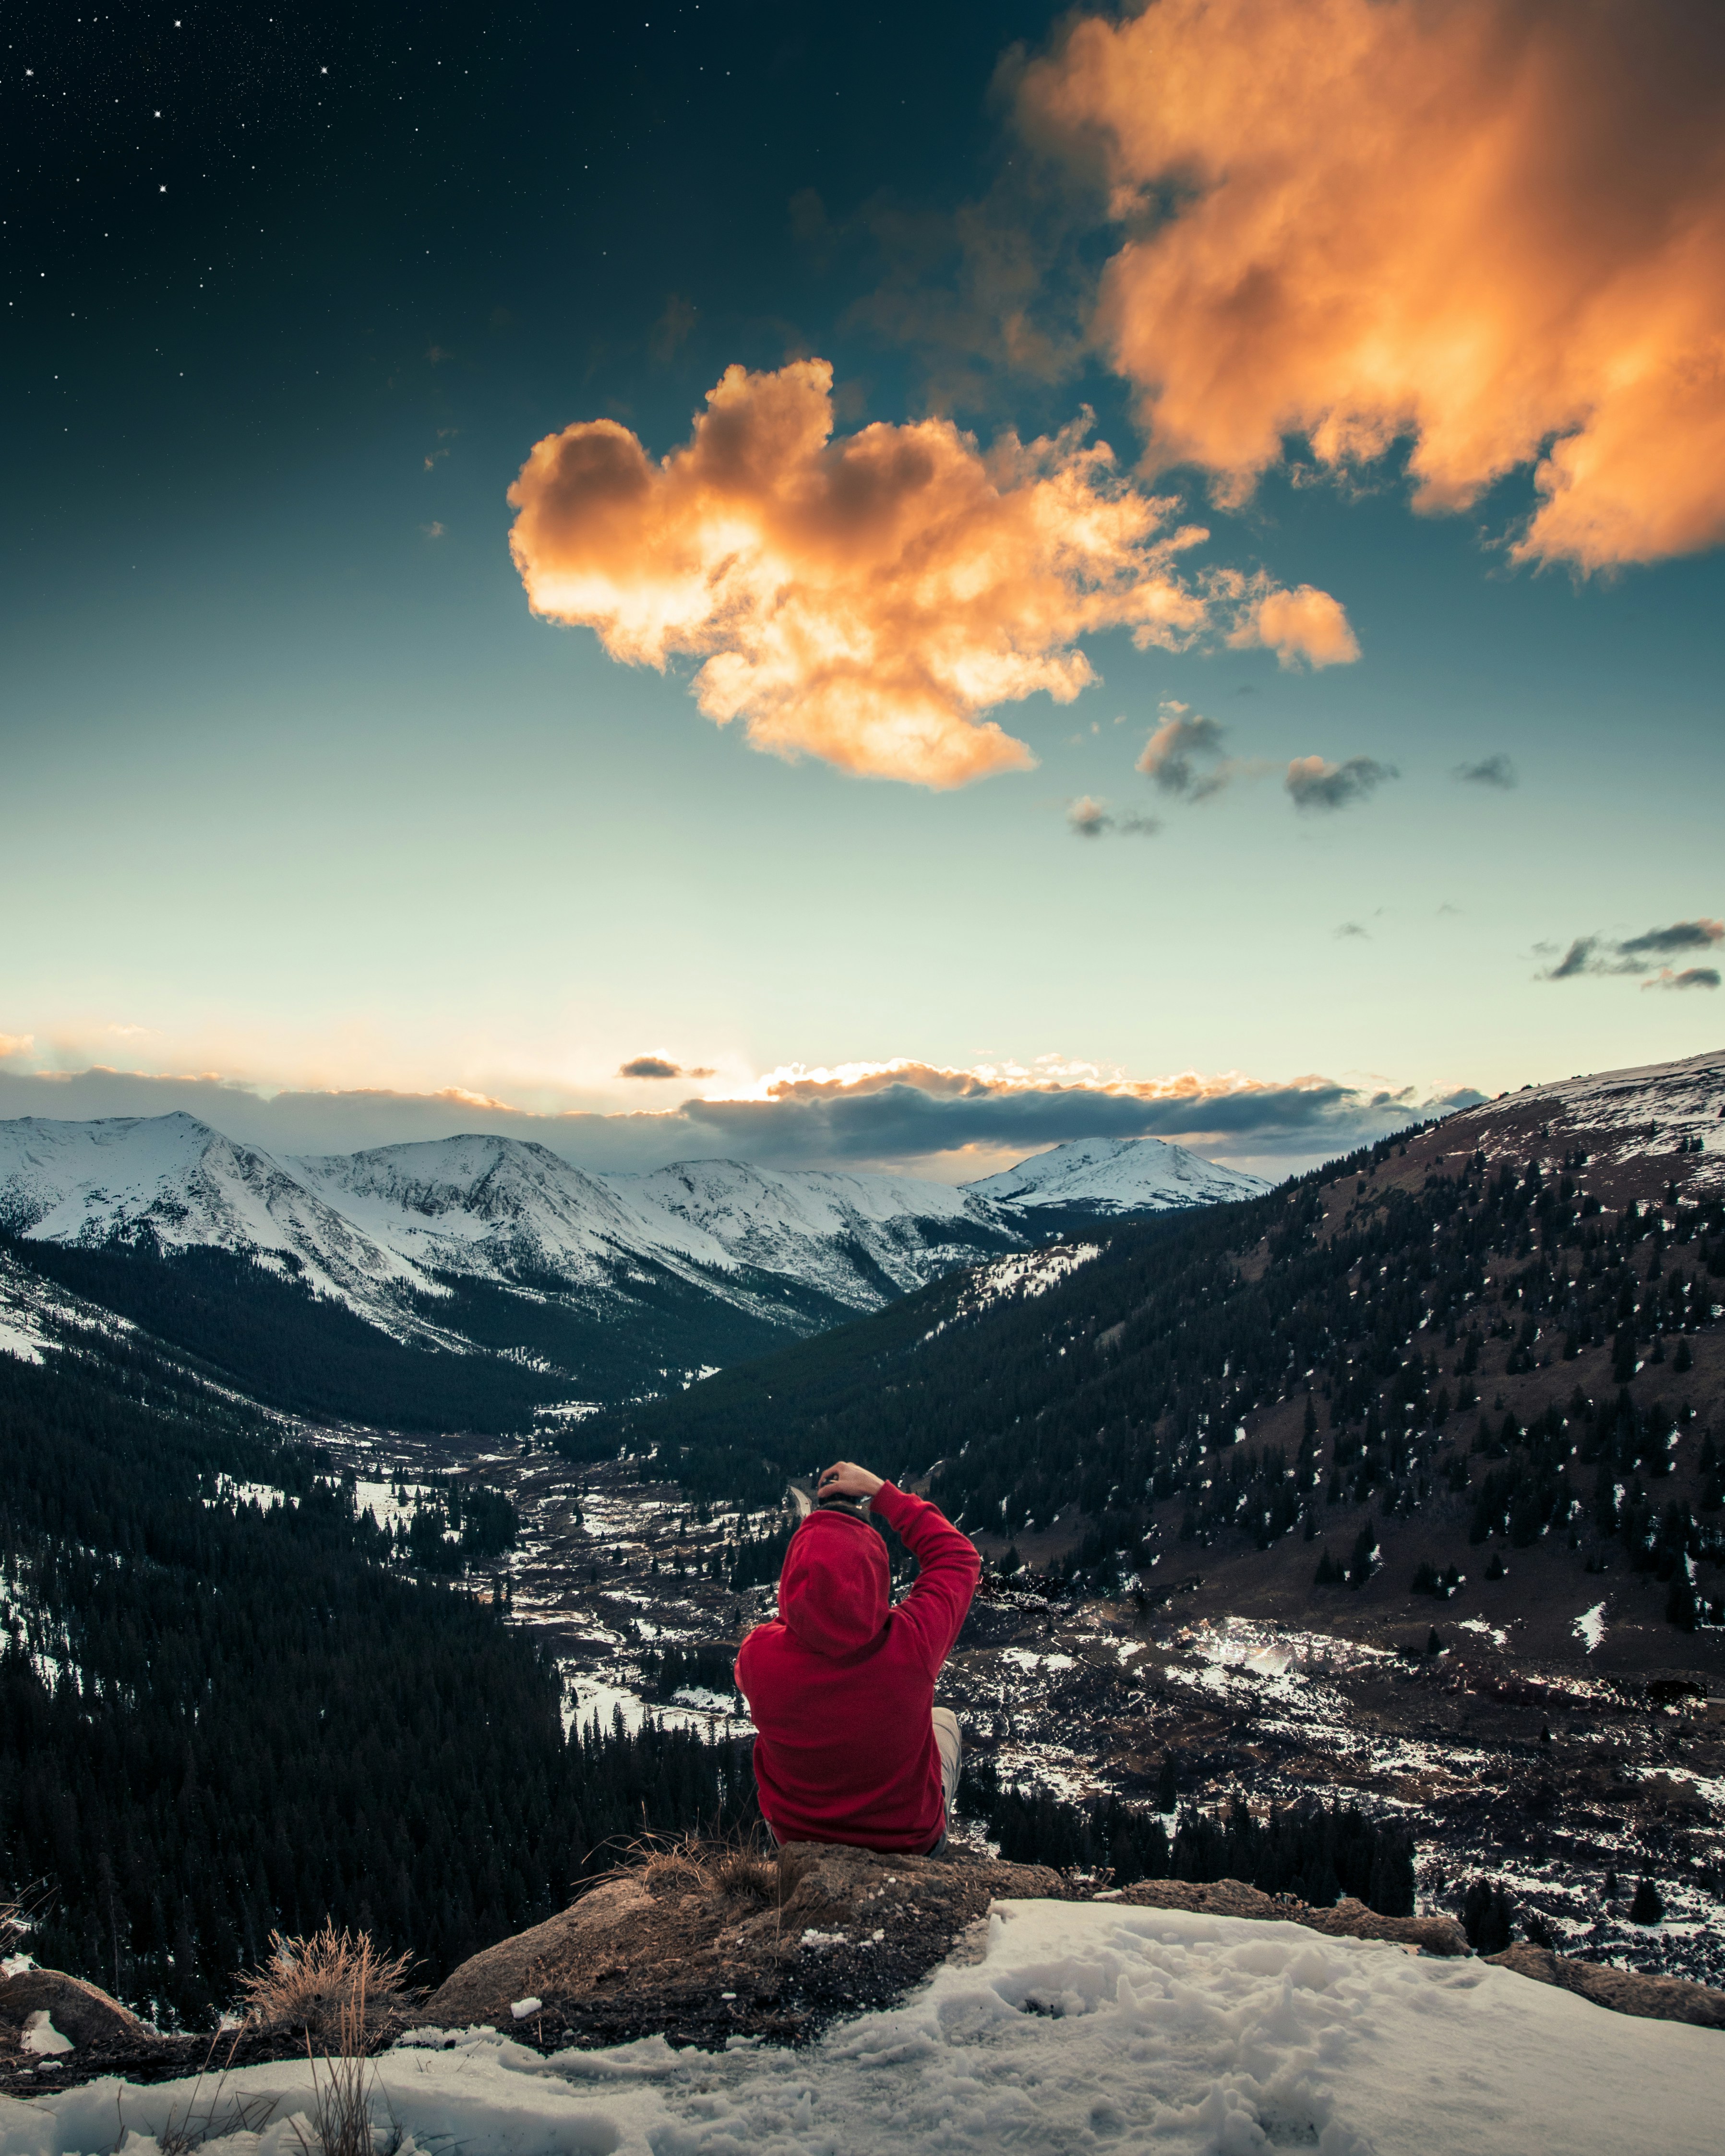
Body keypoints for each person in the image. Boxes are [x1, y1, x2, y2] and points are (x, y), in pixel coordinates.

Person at [734, 1458, 980, 1855]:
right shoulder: (913, 1641)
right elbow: (958, 1557)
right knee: (944, 1721)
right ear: (876, 1574)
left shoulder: (758, 1657)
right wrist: (882, 1492)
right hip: (911, 1844)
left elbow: (786, 1629)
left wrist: (805, 1604)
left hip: (797, 1840)